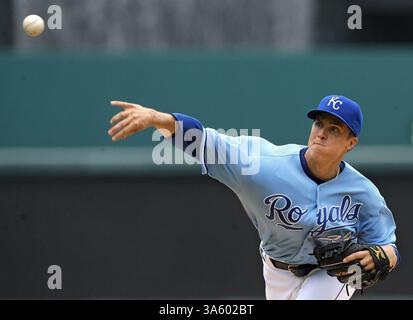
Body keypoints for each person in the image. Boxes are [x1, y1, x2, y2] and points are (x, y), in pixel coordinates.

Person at [107, 95, 400, 300]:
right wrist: (159, 119)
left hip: (331, 276)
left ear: (351, 143)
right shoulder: (263, 164)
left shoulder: (363, 192)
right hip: (277, 270)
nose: (321, 133)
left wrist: (381, 256)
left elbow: (388, 246)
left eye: (333, 129)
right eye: (319, 124)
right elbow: (207, 142)